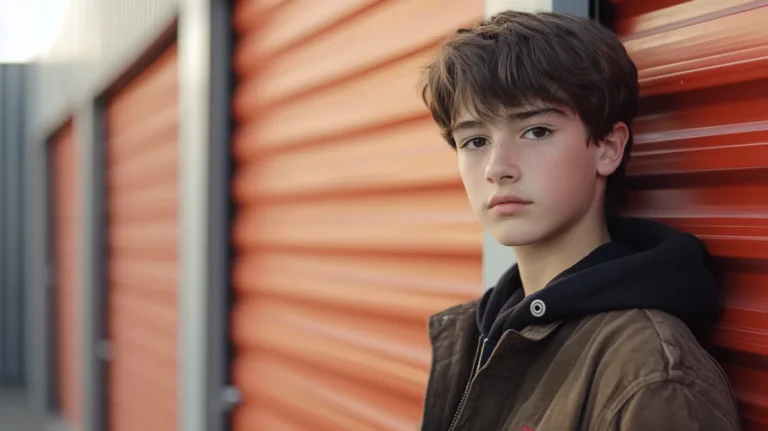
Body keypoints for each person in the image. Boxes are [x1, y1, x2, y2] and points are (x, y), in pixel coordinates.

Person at [418, 10, 741, 431]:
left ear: (607, 147)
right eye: (475, 140)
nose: (497, 168)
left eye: (535, 131)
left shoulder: (652, 374)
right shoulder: (472, 335)